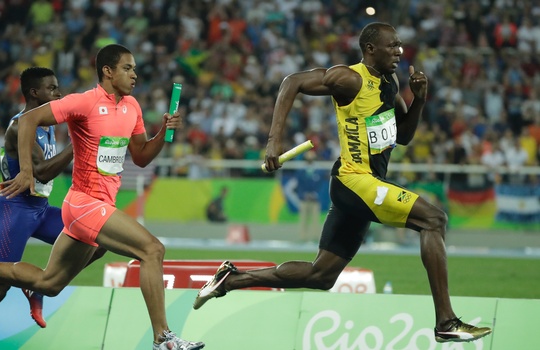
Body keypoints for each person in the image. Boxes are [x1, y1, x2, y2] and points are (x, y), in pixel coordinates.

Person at [192, 22, 491, 344]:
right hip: (354, 180)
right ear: (370, 49)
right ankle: (446, 320)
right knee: (434, 219)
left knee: (321, 275)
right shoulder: (350, 78)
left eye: (401, 45)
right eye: (392, 46)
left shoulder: (389, 81)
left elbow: (403, 136)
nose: (400, 52)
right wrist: (272, 143)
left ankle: (230, 280)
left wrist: (419, 100)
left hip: (366, 184)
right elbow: (291, 82)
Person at [0, 44, 204, 350]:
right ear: (107, 72)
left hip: (90, 206)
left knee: (49, 283)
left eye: (135, 68)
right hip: (83, 203)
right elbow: (27, 121)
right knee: (152, 250)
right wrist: (28, 172)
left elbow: (140, 157)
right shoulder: (83, 102)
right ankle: (163, 338)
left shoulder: (132, 107)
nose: (135, 74)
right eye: (128, 68)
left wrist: (163, 132)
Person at [0, 67, 107, 350]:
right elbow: (41, 172)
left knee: (99, 239)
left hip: (41, 210)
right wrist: (80, 145)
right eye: (52, 88)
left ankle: (38, 284)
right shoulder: (20, 126)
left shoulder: (48, 123)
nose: (59, 93)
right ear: (34, 93)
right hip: (15, 210)